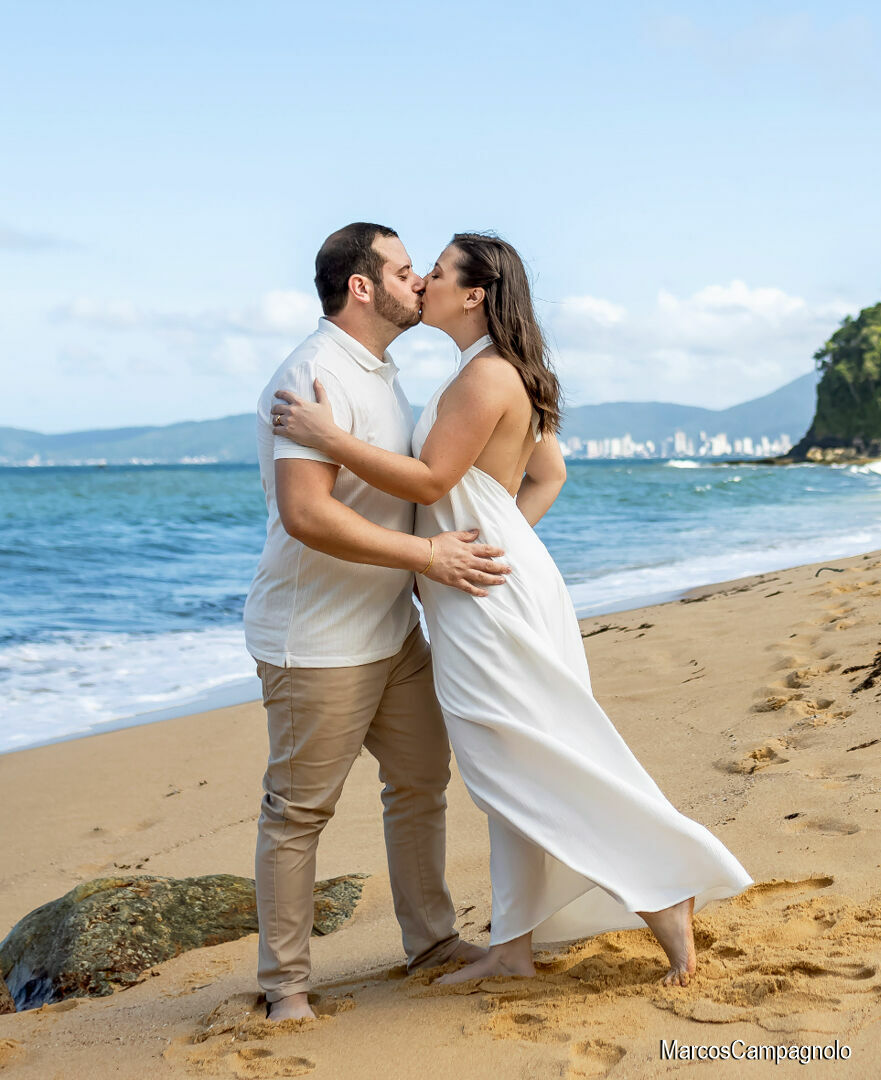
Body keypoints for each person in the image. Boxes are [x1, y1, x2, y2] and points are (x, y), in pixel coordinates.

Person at [272, 231, 753, 987]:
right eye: (414, 270)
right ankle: (514, 947)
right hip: (495, 577)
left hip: (482, 593)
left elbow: (431, 484)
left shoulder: (484, 377)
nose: (422, 280)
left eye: (435, 272)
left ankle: (663, 887)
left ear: (473, 295)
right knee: (527, 753)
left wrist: (327, 437)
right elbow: (548, 475)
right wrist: (503, 539)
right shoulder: (496, 369)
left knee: (518, 762)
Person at [245, 223, 511, 1020]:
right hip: (316, 639)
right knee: (297, 815)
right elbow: (305, 516)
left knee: (421, 782)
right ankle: (284, 985)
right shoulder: (311, 374)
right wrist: (427, 561)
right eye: (403, 270)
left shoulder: (381, 371)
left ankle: (430, 942)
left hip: (392, 628)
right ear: (361, 287)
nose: (417, 282)